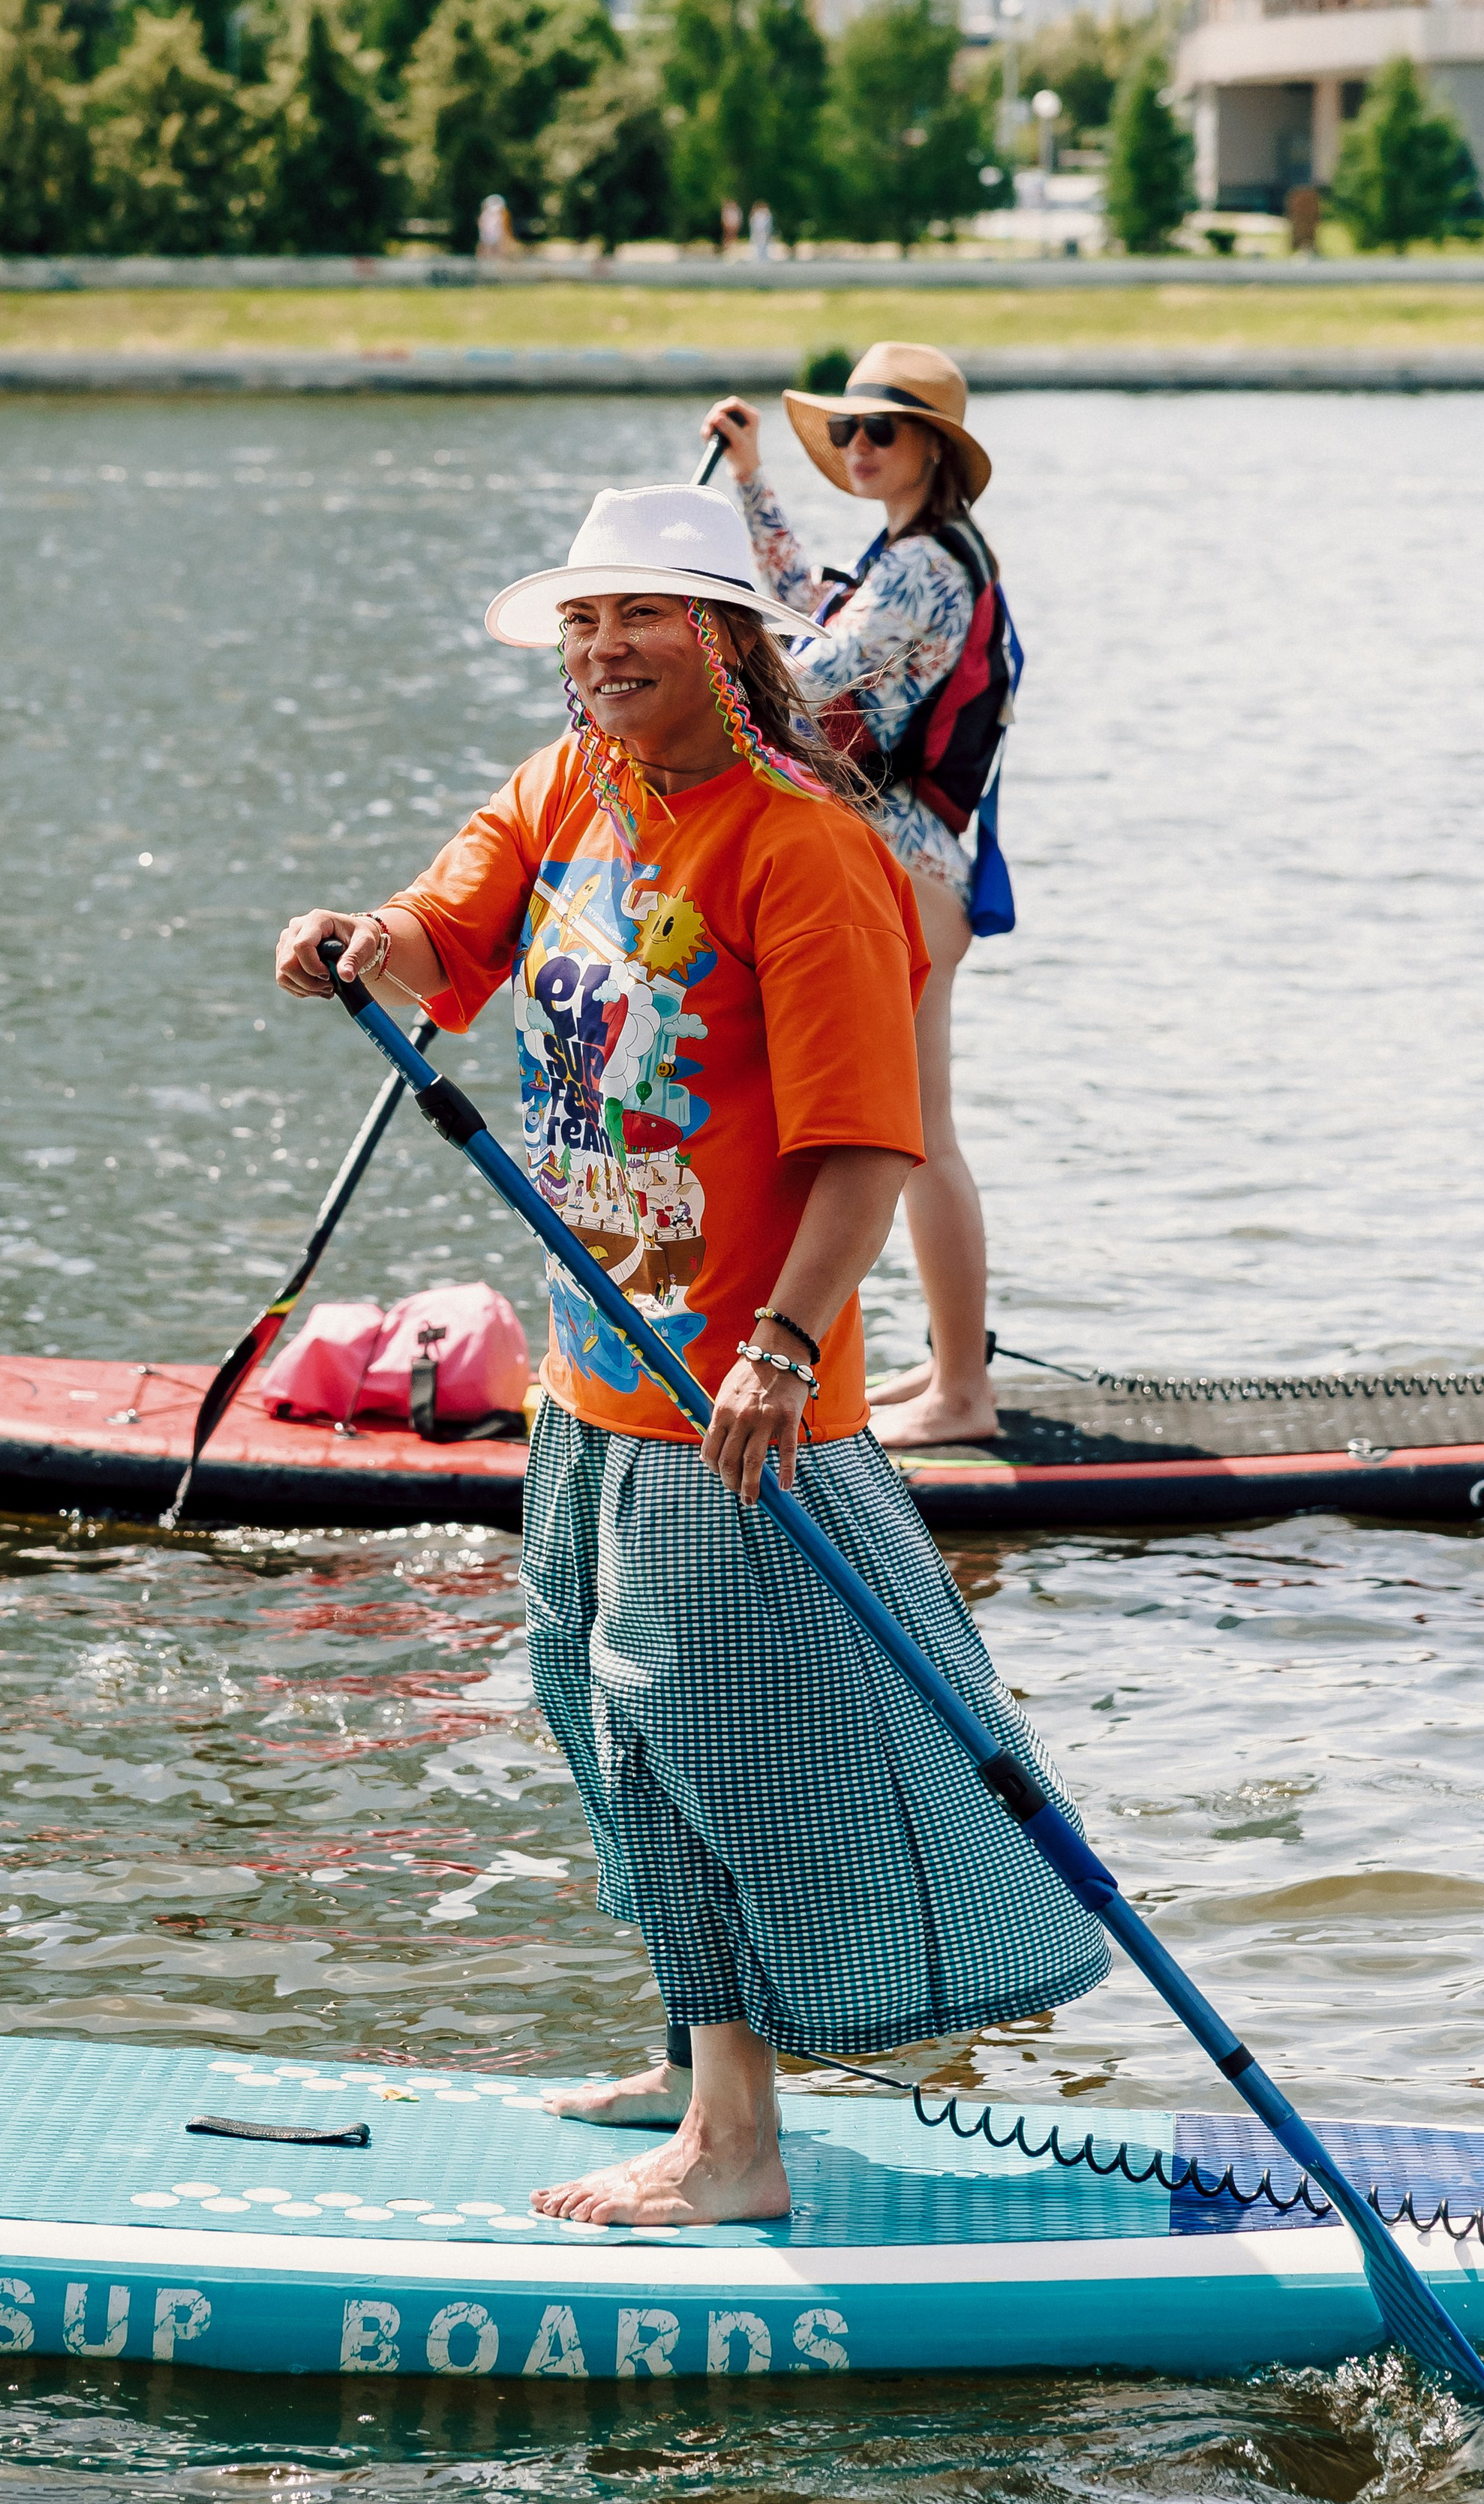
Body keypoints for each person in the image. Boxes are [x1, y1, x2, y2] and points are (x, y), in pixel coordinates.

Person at [275, 483, 1107, 2231]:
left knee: (698, 1744)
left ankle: (734, 2148)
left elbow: (864, 1146)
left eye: (638, 618)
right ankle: (688, 2045)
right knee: (599, 1716)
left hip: (732, 1406)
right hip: (590, 1380)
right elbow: (452, 934)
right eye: (581, 623)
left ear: (725, 642)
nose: (599, 651)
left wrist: (787, 1348)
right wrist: (368, 945)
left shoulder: (801, 852)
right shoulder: (571, 786)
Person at [703, 340, 1011, 1449]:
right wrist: (748, 485)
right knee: (910, 1130)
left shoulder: (928, 567)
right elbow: (803, 612)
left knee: (913, 1134)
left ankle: (960, 1393)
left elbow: (809, 673)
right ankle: (942, 1375)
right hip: (909, 866)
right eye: (849, 431)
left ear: (936, 448)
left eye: (883, 429)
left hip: (908, 873)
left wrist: (676, 656)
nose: (860, 446)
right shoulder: (905, 556)